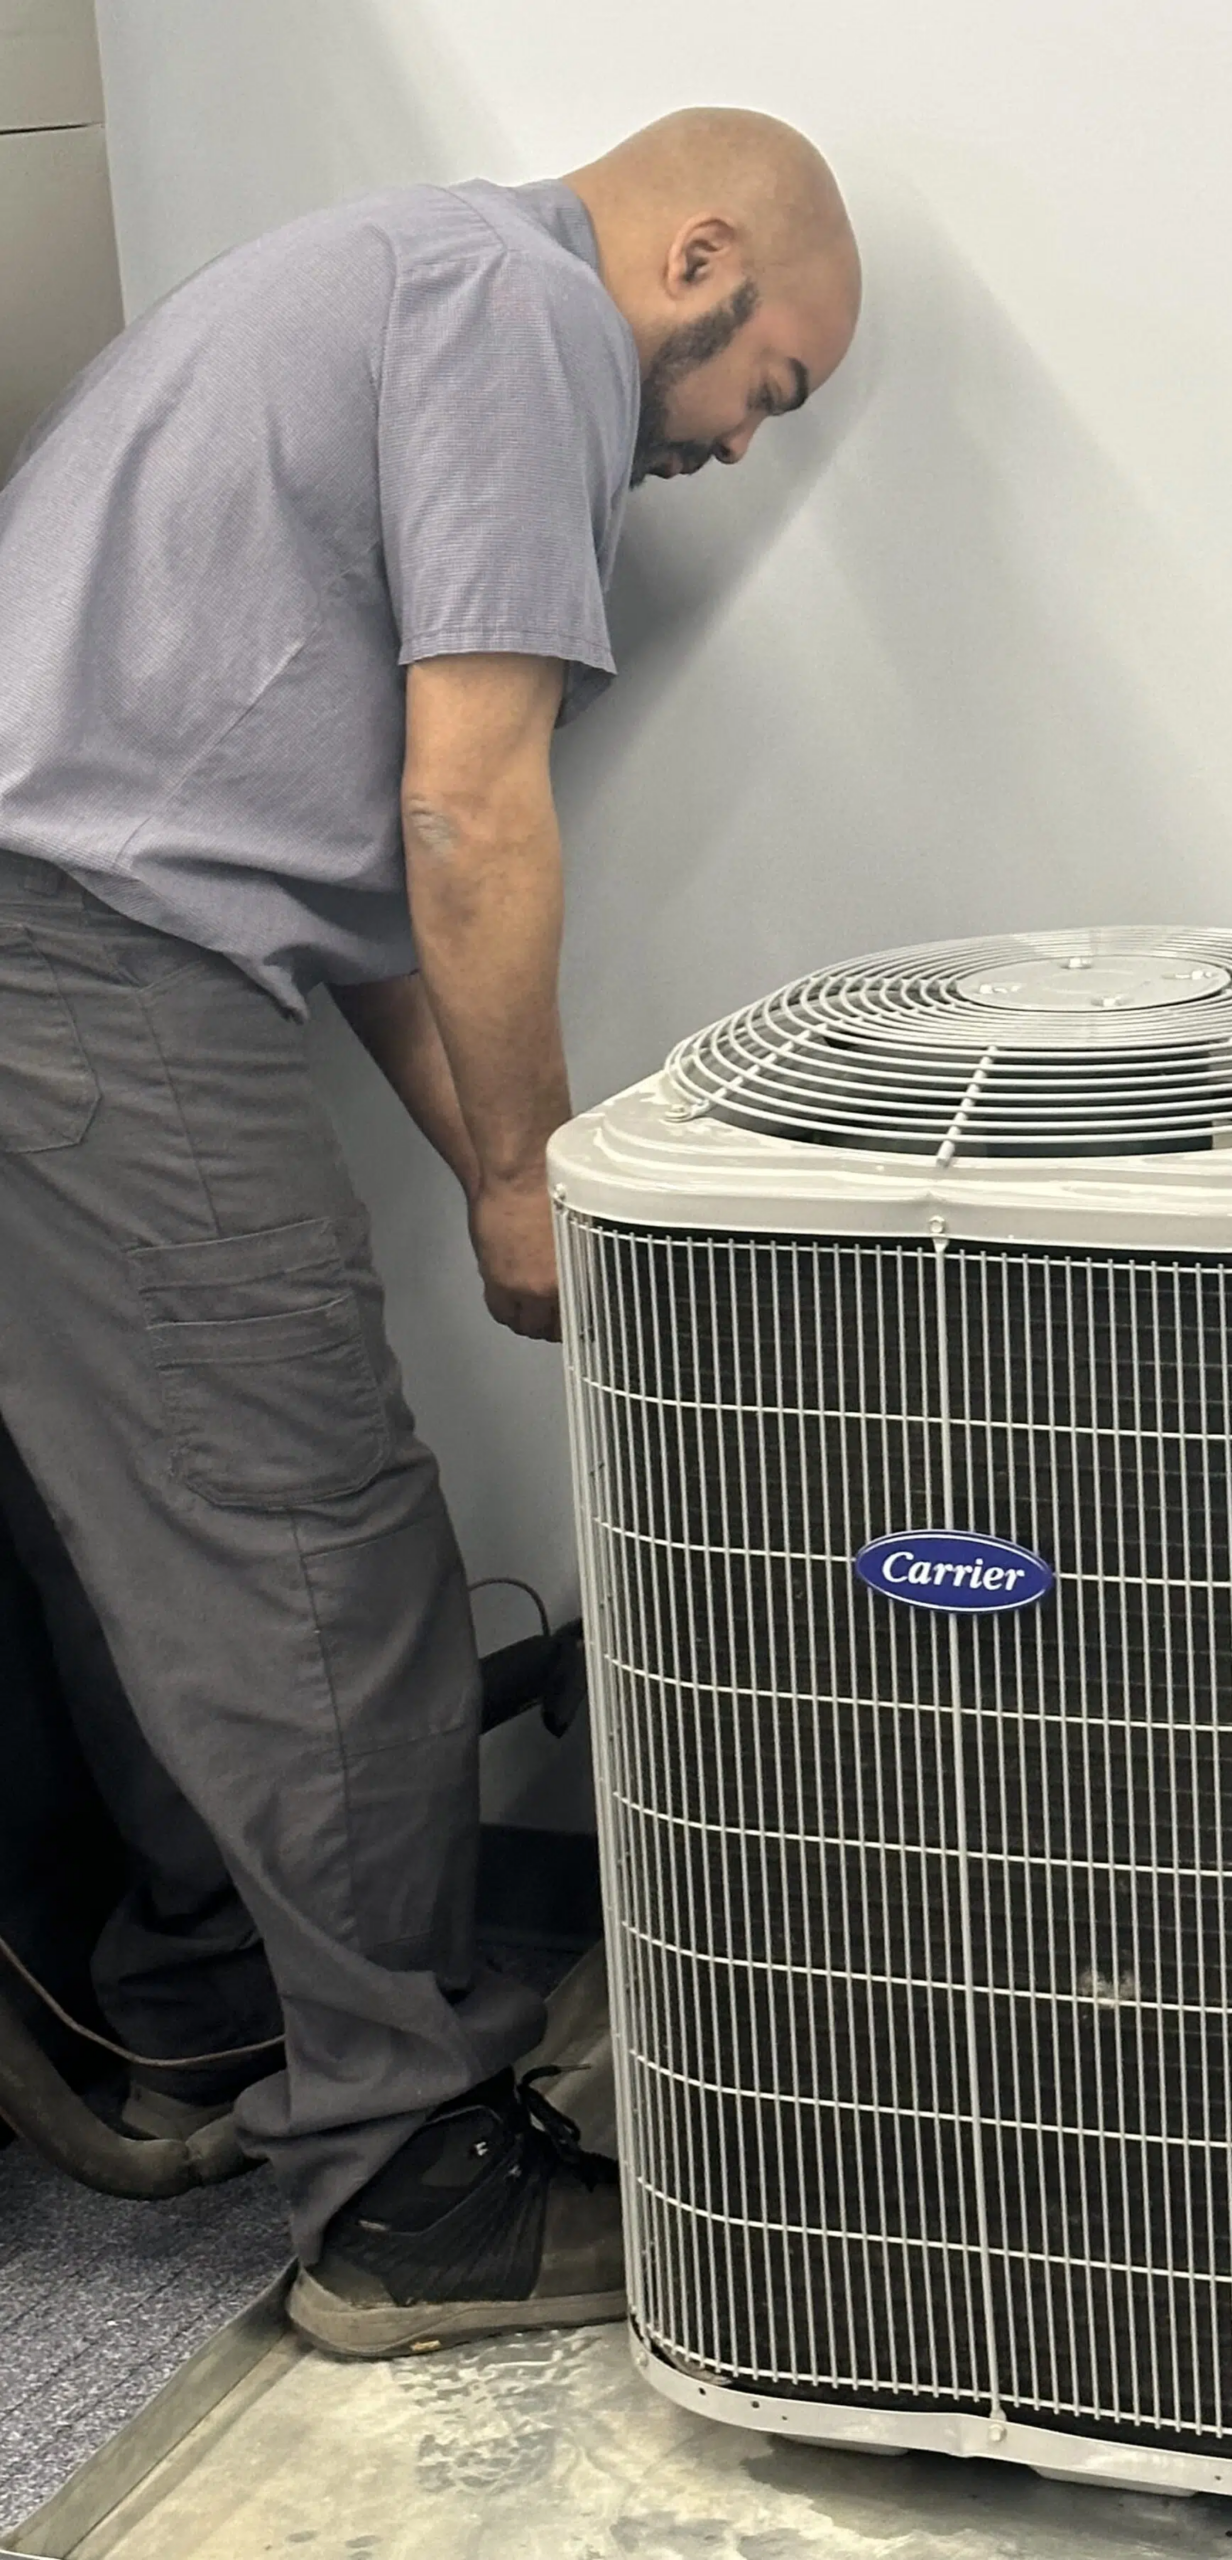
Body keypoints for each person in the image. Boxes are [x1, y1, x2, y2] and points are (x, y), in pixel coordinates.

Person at [0, 106, 860, 2357]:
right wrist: (514, 1177)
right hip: (86, 961)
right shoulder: (519, 322)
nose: (740, 451)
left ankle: (202, 2001)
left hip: (55, 938)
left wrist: (528, 1163)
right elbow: (468, 806)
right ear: (690, 264)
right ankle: (404, 2176)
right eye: (768, 388)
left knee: (152, 1523)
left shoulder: (392, 277)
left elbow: (380, 892)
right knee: (318, 1540)